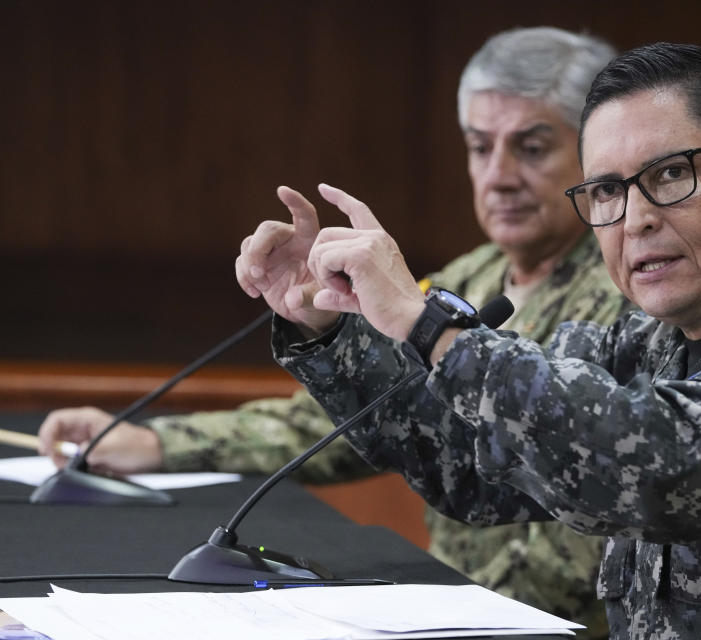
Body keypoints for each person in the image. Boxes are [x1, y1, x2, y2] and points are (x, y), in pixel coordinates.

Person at [234, 43, 701, 636]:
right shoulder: (647, 342)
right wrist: (327, 326)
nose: (634, 218)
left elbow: (667, 464)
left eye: (670, 175)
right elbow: (464, 461)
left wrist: (434, 328)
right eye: (607, 191)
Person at [38, 27, 629, 637]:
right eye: (481, 148)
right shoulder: (462, 279)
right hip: (456, 610)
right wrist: (162, 444)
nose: (500, 175)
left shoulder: (632, 291)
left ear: (595, 157)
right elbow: (349, 422)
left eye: (531, 148)